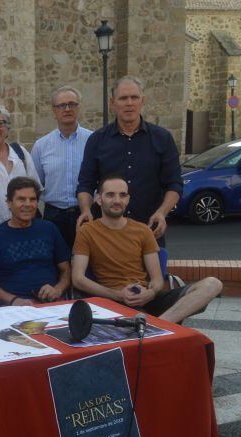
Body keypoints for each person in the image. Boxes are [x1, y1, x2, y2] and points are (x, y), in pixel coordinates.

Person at [72, 174, 221, 324]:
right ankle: (154, 326)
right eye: (110, 195)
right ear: (99, 199)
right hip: (112, 301)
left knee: (212, 284)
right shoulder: (87, 231)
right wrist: (118, 295)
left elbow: (157, 279)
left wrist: (150, 293)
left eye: (122, 195)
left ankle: (156, 325)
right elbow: (78, 279)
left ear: (128, 199)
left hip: (146, 297)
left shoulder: (142, 230)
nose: (117, 200)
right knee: (135, 315)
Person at [76, 76, 183, 247]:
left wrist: (162, 213)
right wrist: (85, 210)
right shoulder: (97, 140)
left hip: (149, 229)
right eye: (123, 98)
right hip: (106, 233)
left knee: (153, 274)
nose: (129, 103)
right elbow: (85, 184)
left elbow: (174, 184)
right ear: (112, 102)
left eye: (134, 97)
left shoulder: (163, 138)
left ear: (143, 100)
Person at [0, 177, 71, 306]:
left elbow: (66, 270)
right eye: (21, 199)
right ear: (9, 202)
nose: (28, 204)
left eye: (33, 199)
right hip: (12, 307)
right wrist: (13, 300)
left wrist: (57, 289)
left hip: (52, 303)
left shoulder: (49, 229)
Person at [31, 86, 93, 247]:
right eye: (61, 105)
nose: (67, 109)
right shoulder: (41, 146)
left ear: (78, 108)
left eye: (72, 104)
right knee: (57, 264)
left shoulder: (93, 140)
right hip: (54, 215)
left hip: (88, 213)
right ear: (54, 111)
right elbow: (36, 183)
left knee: (89, 261)